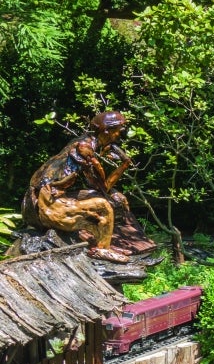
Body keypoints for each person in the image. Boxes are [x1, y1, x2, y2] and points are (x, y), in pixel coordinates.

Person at [21, 111, 134, 263]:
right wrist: (124, 164)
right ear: (106, 131)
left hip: (44, 198)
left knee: (108, 199)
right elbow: (103, 187)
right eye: (119, 131)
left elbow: (97, 188)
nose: (120, 136)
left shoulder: (85, 142)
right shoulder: (84, 148)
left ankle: (103, 243)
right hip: (44, 204)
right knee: (104, 205)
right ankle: (102, 250)